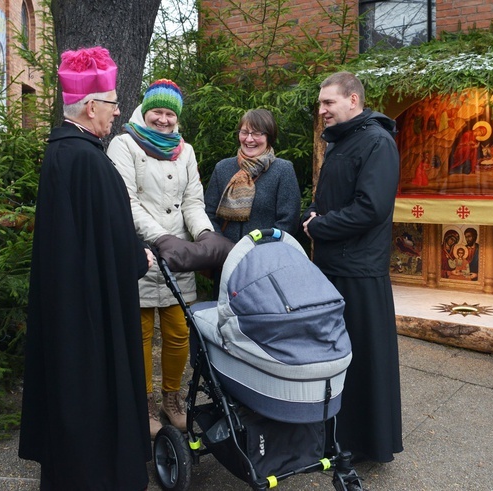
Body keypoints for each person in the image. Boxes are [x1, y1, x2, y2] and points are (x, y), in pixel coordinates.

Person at [19, 46, 154, 490]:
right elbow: (113, 239)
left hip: (68, 306)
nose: (118, 112)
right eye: (114, 104)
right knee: (96, 400)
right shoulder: (89, 162)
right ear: (91, 105)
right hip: (92, 314)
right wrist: (141, 256)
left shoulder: (61, 153)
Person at [107, 79, 232, 437]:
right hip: (142, 251)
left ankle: (171, 399)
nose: (164, 119)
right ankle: (144, 402)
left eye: (170, 114)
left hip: (179, 257)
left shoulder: (185, 150)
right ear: (146, 111)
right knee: (142, 333)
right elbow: (126, 202)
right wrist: (160, 237)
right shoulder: (124, 145)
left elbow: (192, 200)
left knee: (179, 332)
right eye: (158, 112)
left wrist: (204, 235)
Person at [302, 71, 403, 464]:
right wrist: (312, 214)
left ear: (354, 101)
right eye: (321, 102)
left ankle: (363, 444)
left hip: (360, 274)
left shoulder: (377, 142)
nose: (322, 109)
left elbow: (371, 208)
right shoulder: (342, 141)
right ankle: (334, 436)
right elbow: (331, 198)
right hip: (332, 269)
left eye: (328, 102)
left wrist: (320, 226)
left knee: (361, 362)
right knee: (334, 357)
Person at [204, 109, 301, 244]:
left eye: (257, 133)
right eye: (244, 132)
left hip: (265, 257)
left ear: (269, 136)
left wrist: (255, 248)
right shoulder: (222, 168)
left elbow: (288, 222)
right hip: (225, 257)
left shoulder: (283, 170)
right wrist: (223, 246)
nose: (249, 139)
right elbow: (208, 214)